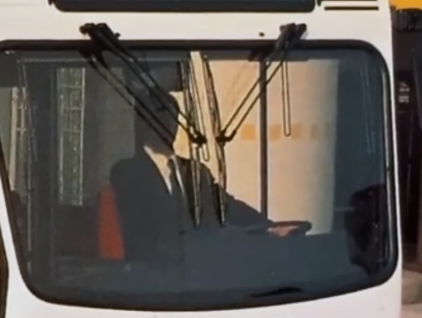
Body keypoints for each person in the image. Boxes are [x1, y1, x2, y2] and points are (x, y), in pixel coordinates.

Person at [107, 99, 300, 262]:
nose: (168, 124)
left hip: (205, 270)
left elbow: (226, 206)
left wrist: (269, 227)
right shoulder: (127, 171)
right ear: (144, 123)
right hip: (158, 276)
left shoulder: (195, 170)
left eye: (173, 117)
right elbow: (140, 233)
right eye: (160, 117)